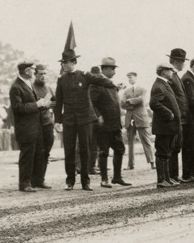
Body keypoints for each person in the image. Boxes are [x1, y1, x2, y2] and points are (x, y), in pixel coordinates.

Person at [53, 48, 119, 191]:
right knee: (69, 151)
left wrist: (113, 84)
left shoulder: (84, 75)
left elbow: (99, 79)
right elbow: (58, 101)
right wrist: (57, 121)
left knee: (85, 150)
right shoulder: (62, 79)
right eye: (63, 62)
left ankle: (85, 181)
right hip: (69, 120)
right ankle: (70, 181)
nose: (64, 65)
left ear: (74, 62)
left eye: (66, 62)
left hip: (85, 119)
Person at [10, 61, 53, 192]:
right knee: (27, 156)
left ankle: (36, 181)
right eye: (33, 70)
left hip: (34, 127)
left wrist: (43, 105)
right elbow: (18, 108)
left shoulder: (27, 84)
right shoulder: (16, 87)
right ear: (27, 71)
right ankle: (24, 184)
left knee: (37, 154)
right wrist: (37, 104)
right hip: (26, 128)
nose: (34, 72)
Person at [91, 57, 131, 188]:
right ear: (104, 69)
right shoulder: (97, 83)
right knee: (104, 151)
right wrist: (98, 116)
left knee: (120, 149)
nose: (114, 71)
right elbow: (91, 103)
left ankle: (117, 177)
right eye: (112, 69)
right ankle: (104, 179)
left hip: (114, 124)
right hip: (103, 125)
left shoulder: (110, 84)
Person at [150, 63, 181, 188]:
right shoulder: (159, 85)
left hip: (168, 126)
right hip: (164, 126)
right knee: (162, 152)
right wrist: (169, 113)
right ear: (164, 72)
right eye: (170, 70)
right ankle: (161, 180)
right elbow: (154, 103)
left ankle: (167, 179)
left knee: (166, 152)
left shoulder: (164, 84)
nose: (172, 72)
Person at [121, 71, 154, 170]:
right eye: (128, 77)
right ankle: (130, 164)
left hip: (141, 118)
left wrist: (129, 101)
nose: (129, 79)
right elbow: (122, 104)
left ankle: (152, 162)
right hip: (130, 119)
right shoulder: (126, 91)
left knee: (146, 140)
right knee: (130, 142)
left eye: (131, 77)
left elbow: (142, 100)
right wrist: (133, 103)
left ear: (136, 77)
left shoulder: (142, 89)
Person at [166, 48, 190, 183]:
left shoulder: (175, 76)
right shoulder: (170, 76)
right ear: (177, 61)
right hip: (175, 117)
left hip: (180, 116)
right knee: (173, 146)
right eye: (183, 62)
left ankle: (174, 175)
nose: (184, 65)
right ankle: (172, 175)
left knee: (176, 146)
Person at [32, 64, 56, 188]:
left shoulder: (49, 89)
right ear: (35, 74)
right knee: (36, 152)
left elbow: (56, 102)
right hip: (35, 125)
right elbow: (30, 106)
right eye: (40, 74)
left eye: (45, 73)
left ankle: (41, 179)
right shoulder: (31, 88)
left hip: (47, 124)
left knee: (46, 152)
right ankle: (33, 179)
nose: (43, 76)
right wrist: (44, 105)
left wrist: (52, 105)